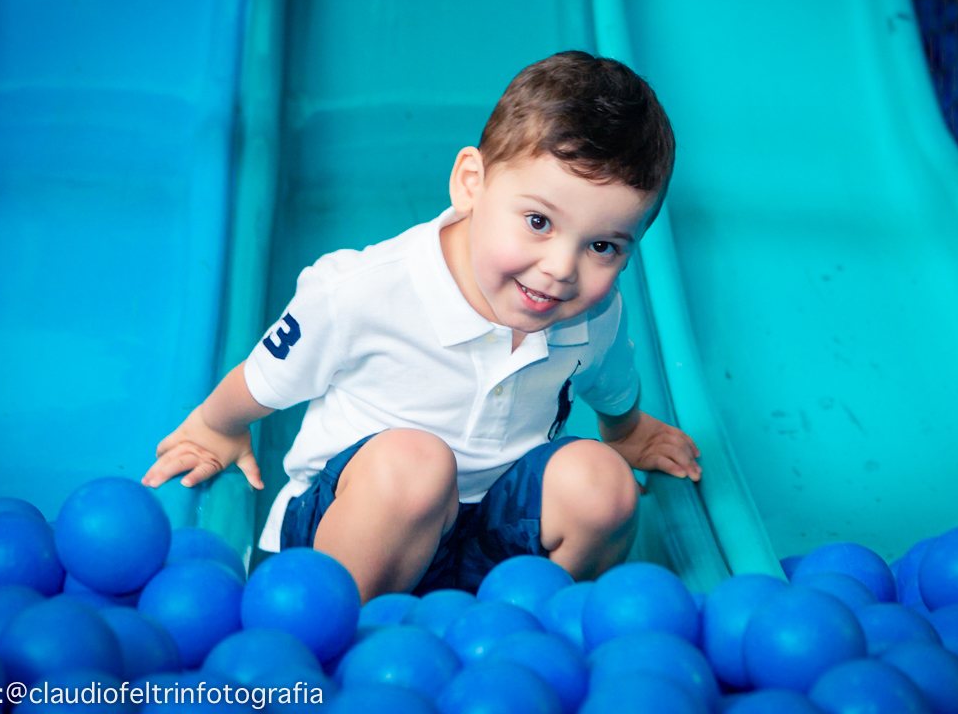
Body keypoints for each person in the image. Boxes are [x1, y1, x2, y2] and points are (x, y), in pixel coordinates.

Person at [141, 51, 701, 601]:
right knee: (416, 466)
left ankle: (524, 629)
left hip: (492, 532)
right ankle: (344, 637)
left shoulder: (594, 310)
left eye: (602, 246)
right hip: (359, 528)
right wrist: (215, 427)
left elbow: (612, 381)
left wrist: (626, 433)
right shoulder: (364, 290)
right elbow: (266, 375)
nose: (560, 268)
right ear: (470, 183)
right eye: (538, 222)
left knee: (603, 487)